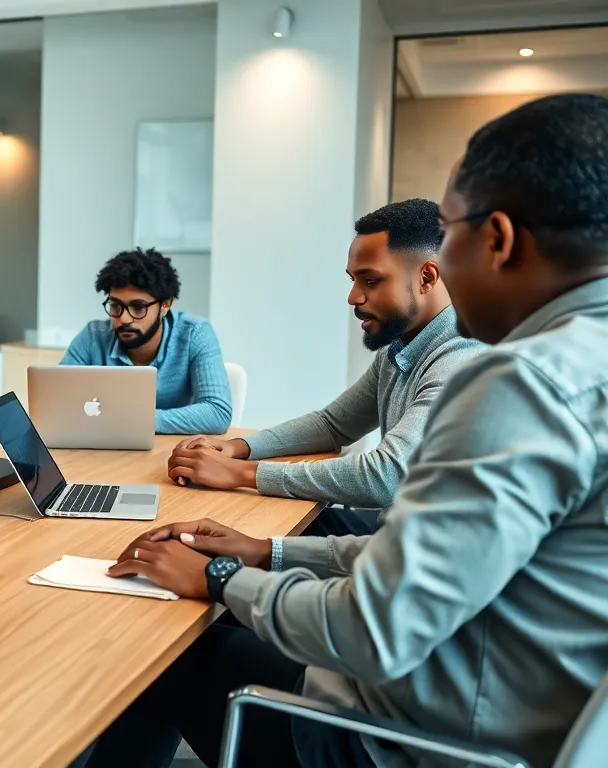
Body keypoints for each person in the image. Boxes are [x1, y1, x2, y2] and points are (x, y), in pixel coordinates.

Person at [88, 93, 608, 768]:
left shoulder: (519, 384)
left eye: (448, 232)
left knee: (167, 650)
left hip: (399, 740)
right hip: (491, 707)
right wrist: (262, 553)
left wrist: (218, 577)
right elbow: (418, 562)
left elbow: (375, 625)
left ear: (498, 240)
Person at [168, 199, 486, 533]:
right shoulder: (401, 345)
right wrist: (238, 448)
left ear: (427, 277)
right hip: (395, 533)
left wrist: (241, 473)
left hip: (427, 558)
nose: (353, 297)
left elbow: (385, 476)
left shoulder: (459, 359)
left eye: (371, 281)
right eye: (353, 280)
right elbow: (333, 425)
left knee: (234, 544)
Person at [60, 248, 232, 435]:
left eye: (138, 307)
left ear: (165, 305)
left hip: (170, 453)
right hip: (105, 449)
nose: (124, 318)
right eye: (115, 305)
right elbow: (56, 399)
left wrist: (135, 421)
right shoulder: (93, 336)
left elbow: (217, 412)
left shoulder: (195, 334)